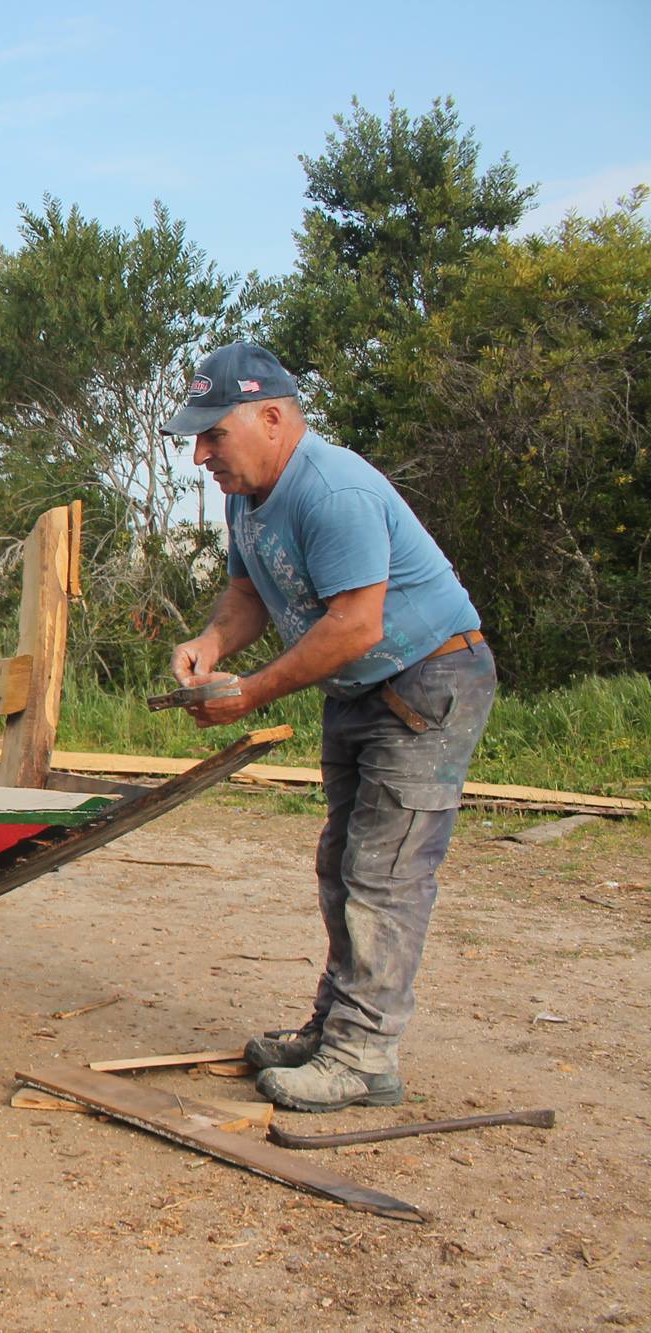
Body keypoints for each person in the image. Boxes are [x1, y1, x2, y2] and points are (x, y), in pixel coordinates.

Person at [161, 342, 497, 1113]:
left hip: (426, 677)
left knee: (384, 873)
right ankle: (337, 1029)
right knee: (342, 864)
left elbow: (355, 624)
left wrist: (249, 693)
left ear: (272, 418)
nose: (201, 455)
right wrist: (212, 645)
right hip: (359, 689)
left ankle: (362, 1055)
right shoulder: (247, 496)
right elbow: (248, 593)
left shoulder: (333, 490)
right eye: (197, 438)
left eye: (213, 434)